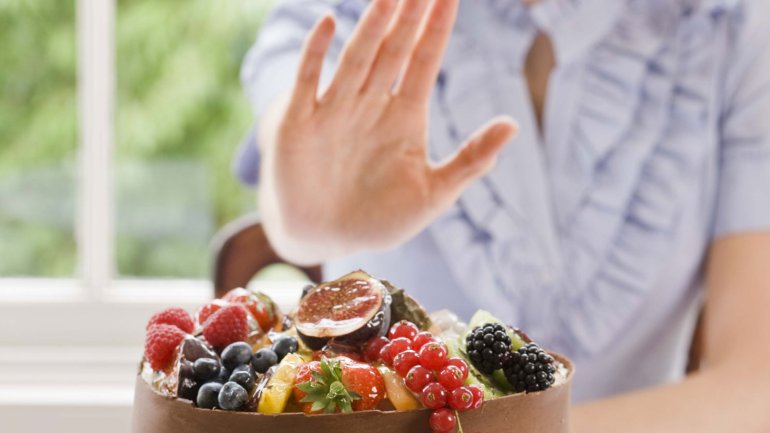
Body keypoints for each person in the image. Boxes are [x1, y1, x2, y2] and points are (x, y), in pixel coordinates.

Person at [234, 0, 770, 430]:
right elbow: (294, 196)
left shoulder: (734, 27)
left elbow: (755, 385)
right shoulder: (347, 12)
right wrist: (303, 221)